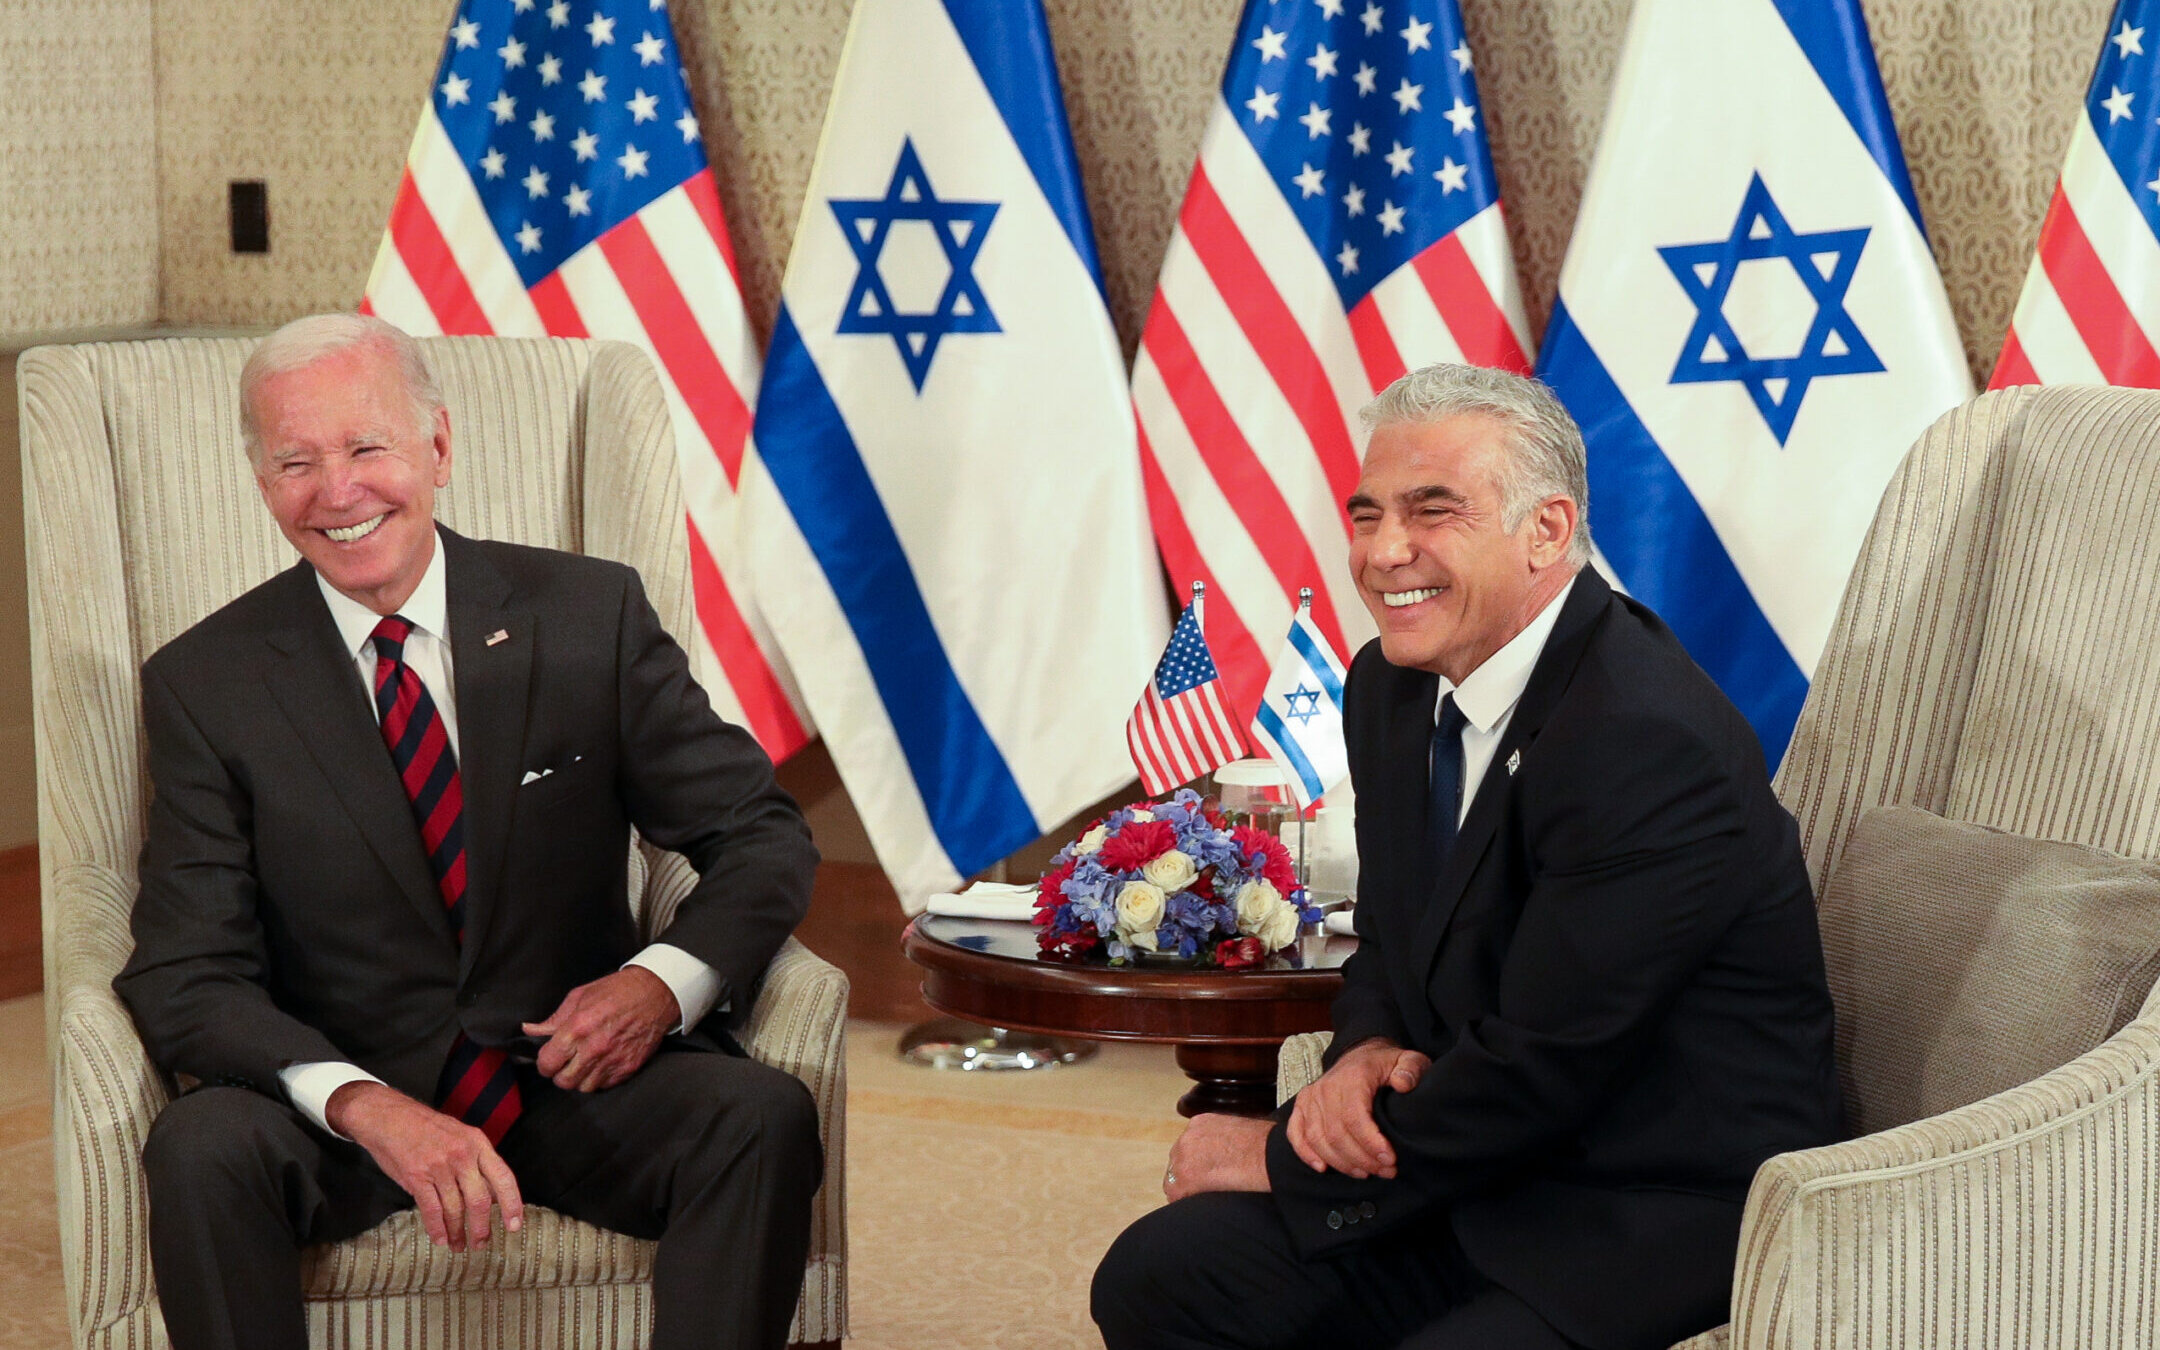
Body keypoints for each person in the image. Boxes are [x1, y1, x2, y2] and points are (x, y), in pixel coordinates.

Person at [1092, 364, 1843, 1350]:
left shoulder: (1646, 739)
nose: (1384, 552)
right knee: (1160, 1276)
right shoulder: (1391, 690)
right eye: (1368, 516)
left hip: (1635, 1212)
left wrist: (1279, 1158)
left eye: (1431, 512)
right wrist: (1360, 1053)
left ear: (1548, 531)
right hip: (1472, 1179)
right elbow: (1393, 947)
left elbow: (1546, 1067)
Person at [115, 314, 824, 1350]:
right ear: (263, 485)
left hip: (576, 1079)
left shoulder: (589, 616)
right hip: (344, 1113)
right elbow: (187, 970)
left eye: (367, 447)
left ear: (438, 447)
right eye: (297, 462)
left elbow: (759, 834)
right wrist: (361, 1104)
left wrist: (658, 985)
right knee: (201, 1147)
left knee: (758, 1116)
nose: (338, 491)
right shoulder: (206, 683)